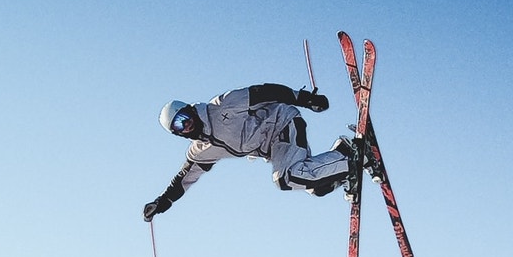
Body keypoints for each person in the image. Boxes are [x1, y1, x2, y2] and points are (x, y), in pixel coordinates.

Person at [143, 84, 359, 220]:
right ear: (178, 134)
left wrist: (304, 99)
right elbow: (183, 179)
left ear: (189, 108)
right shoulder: (201, 151)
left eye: (184, 117)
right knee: (316, 187)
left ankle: (351, 157)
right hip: (274, 148)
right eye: (179, 126)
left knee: (286, 179)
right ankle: (341, 163)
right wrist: (162, 202)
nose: (187, 124)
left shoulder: (221, 106)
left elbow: (264, 92)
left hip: (282, 122)